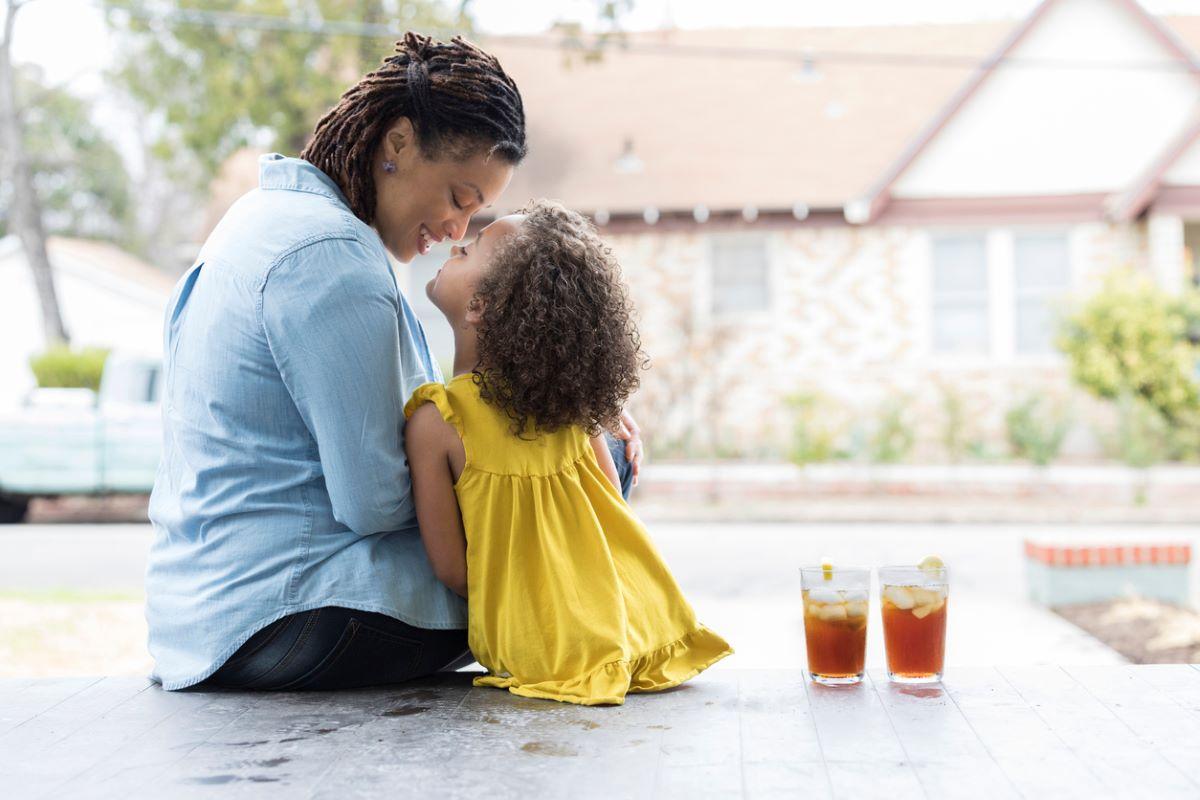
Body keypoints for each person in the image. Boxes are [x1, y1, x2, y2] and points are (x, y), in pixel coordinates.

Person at [146, 32, 644, 692]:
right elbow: (375, 504)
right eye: (459, 197)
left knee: (566, 464)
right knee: (584, 483)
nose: (458, 231)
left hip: (209, 613)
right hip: (288, 613)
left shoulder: (269, 218)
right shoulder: (329, 259)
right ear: (400, 143)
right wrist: (564, 436)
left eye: (476, 214)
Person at [404, 201, 732, 705]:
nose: (455, 244)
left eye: (468, 250)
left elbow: (454, 573)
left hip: (534, 649)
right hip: (636, 626)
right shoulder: (571, 412)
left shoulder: (437, 421)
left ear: (480, 306)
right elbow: (608, 514)